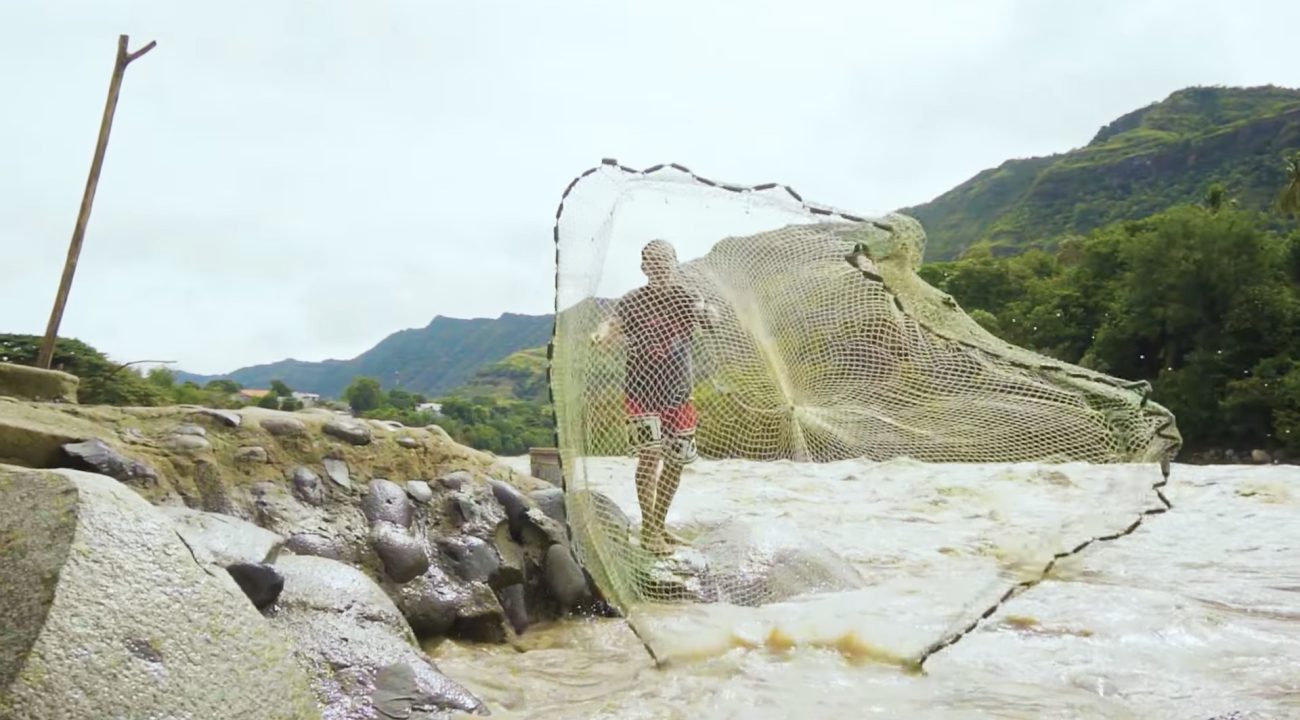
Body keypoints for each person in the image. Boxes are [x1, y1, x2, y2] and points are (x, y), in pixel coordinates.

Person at [592, 239, 716, 555]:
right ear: (644, 267)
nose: (659, 264)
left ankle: (656, 526)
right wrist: (602, 333)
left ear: (675, 262)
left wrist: (707, 311)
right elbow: (613, 324)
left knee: (676, 461)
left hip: (679, 395)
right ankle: (650, 532)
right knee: (649, 457)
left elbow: (711, 320)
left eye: (664, 259)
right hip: (640, 393)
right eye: (652, 260)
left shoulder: (686, 297)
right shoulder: (633, 300)